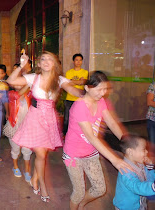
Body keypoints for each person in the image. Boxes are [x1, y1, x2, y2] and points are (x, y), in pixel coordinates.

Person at [7, 51, 83, 202]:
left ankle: (35, 177)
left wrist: (84, 95)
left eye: (50, 59)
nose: (47, 61)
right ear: (39, 64)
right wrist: (21, 66)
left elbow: (72, 89)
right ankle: (42, 184)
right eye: (43, 59)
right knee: (41, 154)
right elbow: (11, 81)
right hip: (34, 118)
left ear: (55, 63)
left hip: (50, 119)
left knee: (43, 153)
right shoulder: (33, 78)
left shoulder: (60, 79)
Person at [63, 71, 133, 210]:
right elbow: (91, 137)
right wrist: (115, 159)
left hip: (91, 153)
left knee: (100, 189)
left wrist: (127, 142)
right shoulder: (79, 106)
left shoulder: (101, 102)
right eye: (100, 89)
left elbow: (112, 123)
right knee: (78, 193)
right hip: (73, 155)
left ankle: (82, 204)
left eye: (105, 89)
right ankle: (78, 203)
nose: (103, 93)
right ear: (88, 88)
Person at [3, 64, 32, 182]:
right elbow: (19, 95)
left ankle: (27, 169)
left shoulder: (30, 94)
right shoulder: (11, 94)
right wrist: (31, 82)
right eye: (16, 82)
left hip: (28, 126)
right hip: (14, 125)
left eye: (20, 81)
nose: (18, 84)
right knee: (15, 148)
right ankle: (15, 166)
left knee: (27, 149)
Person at [113, 135, 155, 210]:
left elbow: (149, 181)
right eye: (143, 149)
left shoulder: (140, 163)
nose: (146, 152)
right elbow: (137, 187)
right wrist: (154, 187)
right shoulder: (125, 171)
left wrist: (150, 168)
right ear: (130, 152)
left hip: (139, 203)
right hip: (127, 207)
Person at [63, 53, 88, 135]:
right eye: (76, 60)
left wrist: (73, 81)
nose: (78, 62)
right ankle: (66, 135)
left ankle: (77, 134)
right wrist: (79, 82)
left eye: (80, 60)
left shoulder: (85, 72)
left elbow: (84, 82)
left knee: (79, 118)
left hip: (80, 99)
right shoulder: (68, 72)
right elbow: (68, 83)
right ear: (73, 61)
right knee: (67, 118)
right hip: (69, 98)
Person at [146, 81, 155, 154]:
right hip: (153, 120)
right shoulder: (154, 85)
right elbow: (149, 102)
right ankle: (151, 164)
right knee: (153, 146)